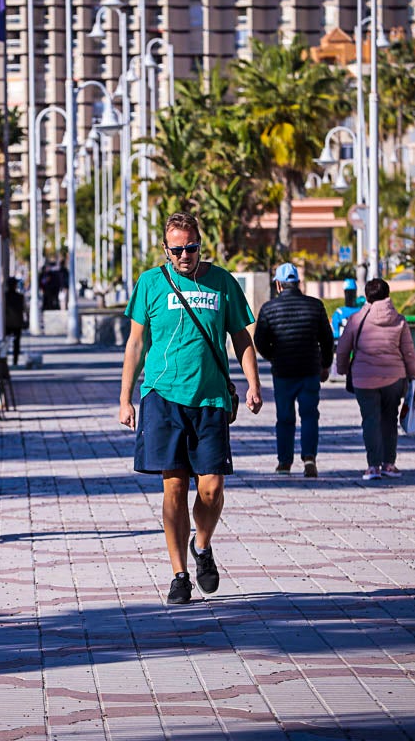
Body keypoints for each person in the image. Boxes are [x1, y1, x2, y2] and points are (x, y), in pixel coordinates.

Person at [119, 212, 263, 605]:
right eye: (178, 249)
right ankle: (179, 574)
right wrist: (125, 397)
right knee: (175, 488)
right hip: (162, 398)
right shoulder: (150, 283)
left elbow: (241, 337)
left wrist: (253, 383)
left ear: (201, 243)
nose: (185, 255)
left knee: (212, 489)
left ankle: (203, 545)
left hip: (211, 398)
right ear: (166, 250)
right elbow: (135, 343)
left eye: (192, 247)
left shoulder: (222, 283)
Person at [334, 277, 415, 481]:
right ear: (388, 295)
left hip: (364, 379)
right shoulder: (399, 320)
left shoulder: (356, 319)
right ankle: (389, 464)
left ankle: (373, 466)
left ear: (366, 296)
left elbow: (343, 349)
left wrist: (344, 370)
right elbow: (409, 353)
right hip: (394, 378)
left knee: (370, 420)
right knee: (389, 420)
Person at [253, 263, 334, 477]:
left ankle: (284, 463)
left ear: (278, 285)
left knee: (285, 418)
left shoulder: (269, 309)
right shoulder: (315, 306)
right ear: (298, 284)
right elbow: (326, 339)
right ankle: (309, 459)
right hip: (309, 370)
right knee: (309, 415)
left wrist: (274, 357)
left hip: (283, 372)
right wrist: (325, 364)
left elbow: (259, 341)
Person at [4, 277, 26, 366]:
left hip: (7, 323)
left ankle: (4, 359)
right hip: (17, 323)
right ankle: (15, 361)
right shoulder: (20, 297)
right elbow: (23, 309)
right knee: (16, 343)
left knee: (5, 343)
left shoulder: (5, 296)